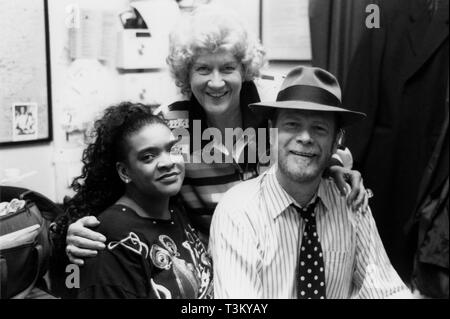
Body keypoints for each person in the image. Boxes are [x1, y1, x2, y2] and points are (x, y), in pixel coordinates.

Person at [64, 5, 368, 266]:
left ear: (245, 69)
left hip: (285, 257)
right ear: (186, 73)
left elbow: (317, 148)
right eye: (202, 69)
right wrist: (79, 224)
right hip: (215, 265)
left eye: (228, 67)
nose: (216, 82)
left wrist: (335, 168)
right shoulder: (171, 121)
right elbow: (119, 180)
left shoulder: (273, 107)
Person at [209, 66, 414, 299]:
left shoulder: (350, 203)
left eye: (319, 128)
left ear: (337, 141)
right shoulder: (239, 211)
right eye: (292, 125)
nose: (305, 138)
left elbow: (386, 291)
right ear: (272, 131)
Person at [64, 102, 212, 299]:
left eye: (172, 149)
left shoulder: (175, 209)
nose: (168, 162)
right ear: (125, 172)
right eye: (148, 157)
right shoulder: (111, 239)